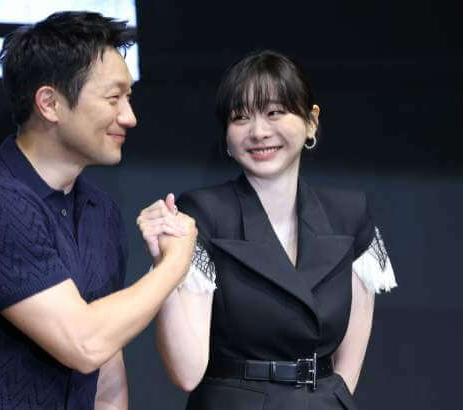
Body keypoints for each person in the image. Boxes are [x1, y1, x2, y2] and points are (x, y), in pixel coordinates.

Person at [0, 11, 196, 410]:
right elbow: (84, 343)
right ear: (49, 103)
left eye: (129, 98)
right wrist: (174, 263)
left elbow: (105, 362)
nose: (129, 117)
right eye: (113, 98)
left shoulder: (100, 212)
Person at [140, 50, 397, 409]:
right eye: (240, 117)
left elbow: (347, 369)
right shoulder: (203, 213)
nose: (259, 132)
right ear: (226, 136)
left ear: (311, 121)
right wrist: (164, 265)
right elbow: (187, 372)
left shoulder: (349, 215)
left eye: (275, 112)